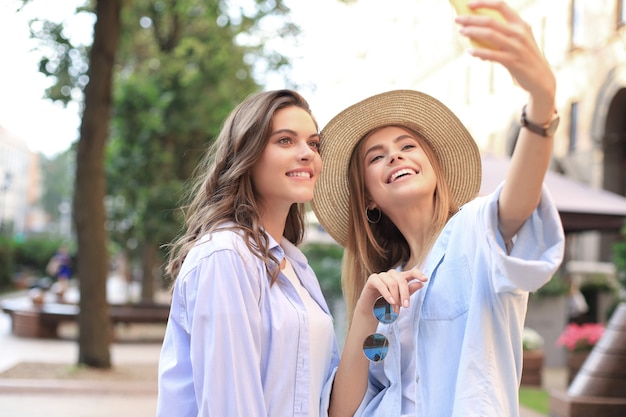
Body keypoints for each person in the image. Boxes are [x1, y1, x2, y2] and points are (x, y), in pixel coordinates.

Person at [311, 2, 566, 416]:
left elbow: (518, 203)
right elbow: (343, 409)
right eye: (376, 157)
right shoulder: (386, 286)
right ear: (368, 198)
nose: (395, 157)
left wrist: (541, 102)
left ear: (433, 167)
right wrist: (364, 312)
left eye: (408, 146)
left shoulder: (476, 231)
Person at [156, 89, 340, 417]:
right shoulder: (227, 256)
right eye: (285, 141)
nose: (307, 154)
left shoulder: (295, 266)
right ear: (248, 154)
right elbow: (231, 407)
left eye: (313, 144)